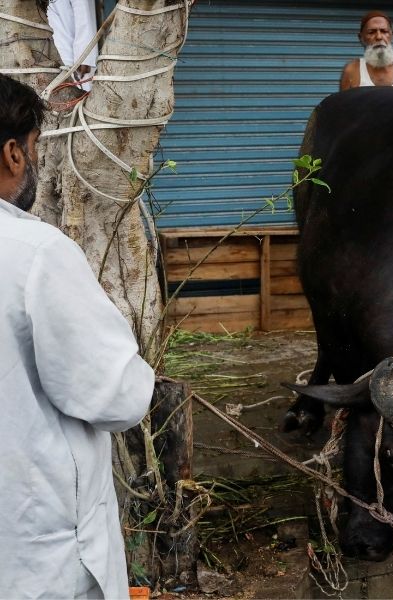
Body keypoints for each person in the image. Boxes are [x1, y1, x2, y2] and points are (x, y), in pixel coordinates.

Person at [0, 75, 155, 598]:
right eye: (35, 148)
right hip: (37, 556)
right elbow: (117, 396)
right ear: (13, 154)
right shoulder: (34, 252)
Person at [47, 0, 98, 91]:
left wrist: (84, 56)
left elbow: (83, 11)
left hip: (71, 55)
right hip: (46, 49)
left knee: (78, 92)